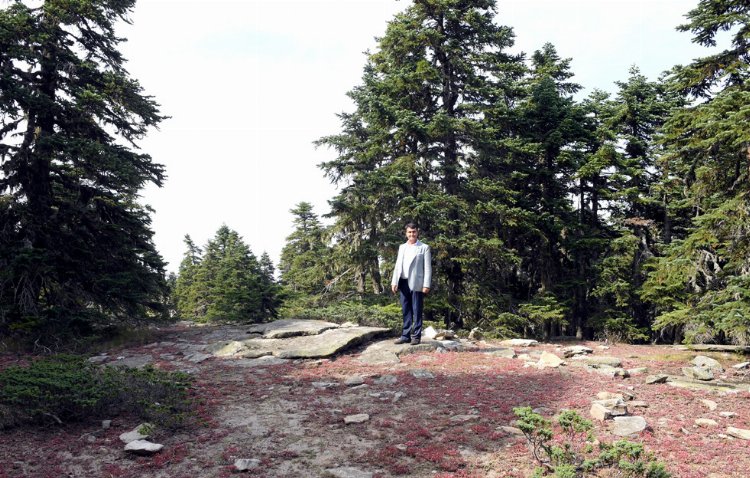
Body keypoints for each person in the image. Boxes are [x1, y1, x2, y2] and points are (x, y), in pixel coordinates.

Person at [391, 223, 431, 345]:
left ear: (417, 232)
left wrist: (426, 285)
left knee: (417, 310)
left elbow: (427, 268)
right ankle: (405, 336)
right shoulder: (402, 247)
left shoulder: (424, 247)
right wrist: (394, 281)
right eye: (409, 232)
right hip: (403, 281)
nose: (411, 234)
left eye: (413, 232)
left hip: (417, 283)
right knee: (406, 310)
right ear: (406, 233)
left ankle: (416, 336)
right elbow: (398, 265)